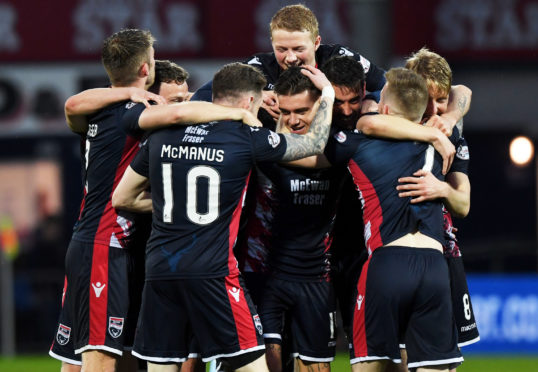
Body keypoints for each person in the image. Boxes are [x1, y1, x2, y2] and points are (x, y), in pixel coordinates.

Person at [49, 30, 265, 372]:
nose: (180, 105)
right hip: (104, 244)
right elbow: (74, 104)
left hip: (118, 248)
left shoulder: (109, 110)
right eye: (173, 99)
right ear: (145, 72)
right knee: (98, 355)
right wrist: (238, 114)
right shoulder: (134, 113)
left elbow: (75, 106)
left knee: (97, 354)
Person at [111, 62, 335, 372]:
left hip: (161, 272)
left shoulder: (161, 135)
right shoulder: (245, 137)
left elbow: (123, 198)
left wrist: (168, 205)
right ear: (248, 103)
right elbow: (314, 144)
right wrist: (328, 95)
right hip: (213, 273)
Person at [323, 68, 463, 371]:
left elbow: (312, 151)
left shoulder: (358, 142)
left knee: (370, 364)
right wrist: (447, 122)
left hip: (387, 263)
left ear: (384, 108)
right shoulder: (441, 143)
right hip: (435, 266)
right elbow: (462, 92)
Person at [395, 48, 479, 371]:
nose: (434, 109)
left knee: (445, 364)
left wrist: (441, 189)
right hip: (396, 256)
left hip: (442, 260)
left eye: (440, 100)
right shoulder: (390, 124)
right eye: (425, 99)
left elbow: (463, 204)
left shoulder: (452, 136)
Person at [191, 3, 385, 124]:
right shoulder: (258, 68)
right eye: (282, 49)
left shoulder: (339, 58)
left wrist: (372, 99)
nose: (290, 58)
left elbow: (390, 86)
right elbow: (202, 97)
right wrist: (253, 96)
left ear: (317, 42)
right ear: (272, 44)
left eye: (299, 49)